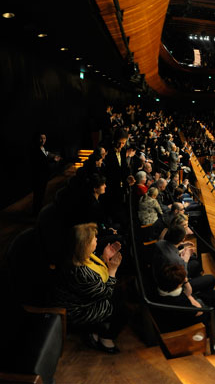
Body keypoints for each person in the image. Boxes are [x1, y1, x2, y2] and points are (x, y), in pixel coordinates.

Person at [54, 223, 126, 353]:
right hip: (78, 309)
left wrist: (104, 258)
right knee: (123, 312)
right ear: (84, 245)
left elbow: (96, 273)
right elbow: (105, 293)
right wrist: (113, 269)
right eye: (94, 238)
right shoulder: (79, 271)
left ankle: (98, 328)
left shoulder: (78, 255)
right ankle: (104, 337)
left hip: (84, 297)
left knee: (120, 295)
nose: (97, 239)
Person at [32, 133, 62, 216]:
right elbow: (42, 160)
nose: (43, 140)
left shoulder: (42, 148)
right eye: (41, 138)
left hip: (43, 175)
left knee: (41, 193)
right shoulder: (35, 150)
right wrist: (53, 159)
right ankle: (36, 212)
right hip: (38, 175)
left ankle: (38, 211)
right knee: (38, 194)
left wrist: (54, 157)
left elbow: (47, 154)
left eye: (44, 138)